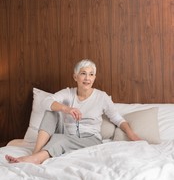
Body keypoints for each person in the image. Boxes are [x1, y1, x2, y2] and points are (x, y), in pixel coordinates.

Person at [5, 59, 141, 164]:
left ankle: (36, 159)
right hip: (67, 134)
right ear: (75, 77)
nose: (87, 78)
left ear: (94, 78)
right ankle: (35, 153)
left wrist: (132, 135)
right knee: (51, 110)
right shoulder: (68, 93)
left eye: (91, 74)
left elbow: (117, 118)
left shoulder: (102, 97)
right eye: (83, 74)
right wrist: (66, 108)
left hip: (90, 139)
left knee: (62, 139)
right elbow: (45, 101)